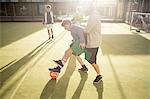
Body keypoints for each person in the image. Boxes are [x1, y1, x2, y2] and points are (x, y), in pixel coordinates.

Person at [84, 6, 103, 82]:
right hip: (93, 41)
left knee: (91, 60)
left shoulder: (93, 17)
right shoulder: (95, 15)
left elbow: (87, 30)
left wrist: (80, 29)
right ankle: (83, 66)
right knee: (88, 58)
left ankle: (99, 74)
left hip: (93, 42)